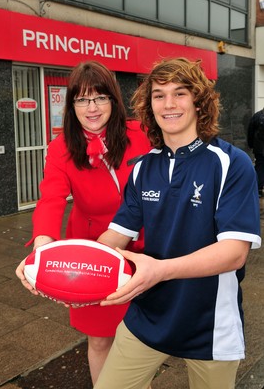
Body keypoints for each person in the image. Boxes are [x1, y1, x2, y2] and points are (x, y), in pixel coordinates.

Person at [93, 57, 262, 389]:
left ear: (199, 102)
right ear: (149, 105)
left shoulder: (232, 163)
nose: (168, 103)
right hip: (148, 314)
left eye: (180, 93)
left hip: (209, 323)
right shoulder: (143, 167)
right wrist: (72, 269)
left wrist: (159, 270)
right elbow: (116, 235)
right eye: (159, 95)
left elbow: (233, 253)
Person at [15, 60, 151, 386]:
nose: (92, 108)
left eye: (100, 97)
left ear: (113, 100)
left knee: (144, 338)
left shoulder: (141, 134)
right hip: (94, 255)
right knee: (100, 338)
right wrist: (42, 246)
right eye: (82, 99)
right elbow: (50, 198)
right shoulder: (61, 147)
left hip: (145, 247)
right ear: (71, 103)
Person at [247, 107, 264, 197]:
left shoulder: (257, 116)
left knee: (260, 167)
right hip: (259, 147)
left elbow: (250, 131)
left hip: (259, 147)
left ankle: (258, 189)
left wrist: (250, 144)